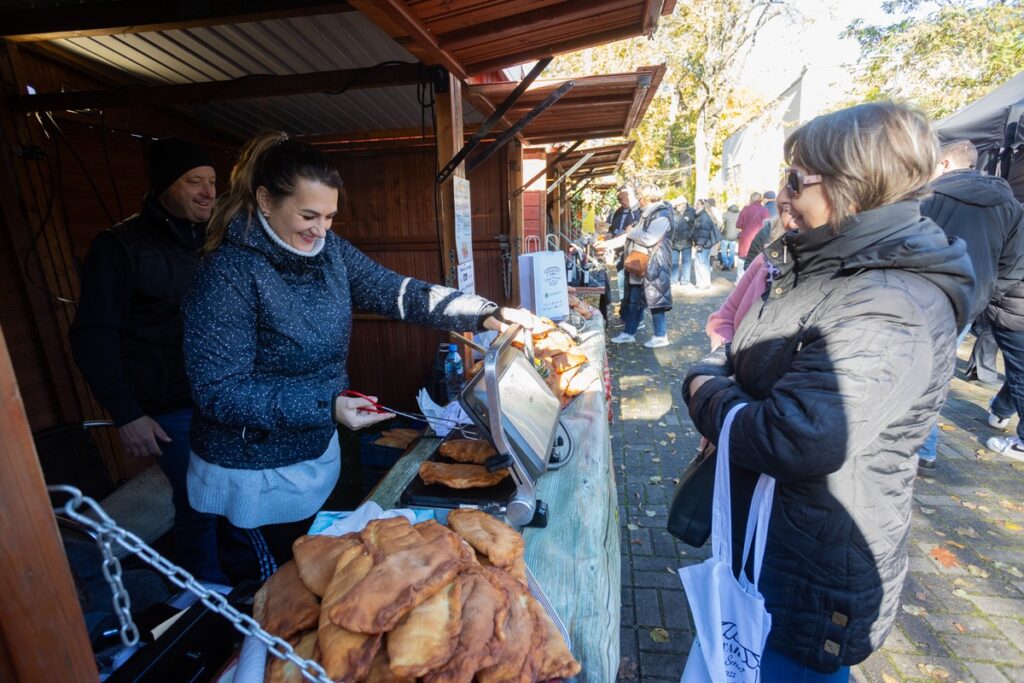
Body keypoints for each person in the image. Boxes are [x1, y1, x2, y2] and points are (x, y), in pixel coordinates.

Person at [684, 102, 975, 680]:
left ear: (852, 187)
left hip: (810, 570)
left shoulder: (891, 302)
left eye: (795, 179)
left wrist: (702, 390)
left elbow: (793, 437)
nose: (781, 196)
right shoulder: (827, 269)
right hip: (773, 548)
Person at [182, 132, 537, 571]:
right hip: (256, 477)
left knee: (333, 566)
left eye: (330, 217)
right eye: (308, 215)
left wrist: (484, 313)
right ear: (265, 200)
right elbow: (218, 391)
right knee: (278, 594)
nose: (320, 230)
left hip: (318, 450)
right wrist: (326, 405)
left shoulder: (330, 252)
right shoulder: (228, 274)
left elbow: (398, 293)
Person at [69, 137, 226, 582]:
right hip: (170, 404)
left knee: (235, 494)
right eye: (194, 181)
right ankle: (206, 596)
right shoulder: (120, 246)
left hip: (225, 396)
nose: (208, 192)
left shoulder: (215, 242)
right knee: (199, 499)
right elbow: (93, 335)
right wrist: (126, 413)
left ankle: (241, 581)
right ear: (163, 186)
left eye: (212, 181)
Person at [916, 139, 1024, 470]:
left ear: (945, 164)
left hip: (923, 294)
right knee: (937, 371)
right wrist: (988, 291)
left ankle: (920, 448)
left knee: (917, 369)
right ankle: (924, 449)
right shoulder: (1010, 204)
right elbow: (1014, 262)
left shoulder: (929, 195)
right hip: (969, 300)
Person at [706, 187, 797, 351]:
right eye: (786, 210)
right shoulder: (765, 261)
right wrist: (722, 357)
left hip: (744, 243)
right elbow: (724, 317)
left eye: (797, 212)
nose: (791, 221)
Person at [602, 183, 673, 348]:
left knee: (656, 301)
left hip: (654, 264)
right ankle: (629, 332)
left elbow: (649, 238)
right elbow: (631, 237)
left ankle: (660, 336)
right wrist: (609, 244)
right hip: (639, 264)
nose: (638, 200)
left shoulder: (661, 215)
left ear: (646, 198)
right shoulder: (647, 214)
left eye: (640, 197)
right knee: (634, 300)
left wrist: (631, 232)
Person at [735, 191, 769, 281]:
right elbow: (767, 225)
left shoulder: (745, 209)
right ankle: (753, 281)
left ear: (751, 199)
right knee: (757, 259)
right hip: (759, 238)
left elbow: (738, 224)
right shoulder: (764, 210)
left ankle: (740, 281)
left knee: (742, 259)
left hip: (745, 237)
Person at [691, 199, 719, 290]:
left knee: (700, 263)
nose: (696, 206)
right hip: (705, 244)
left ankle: (703, 283)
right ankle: (703, 282)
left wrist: (700, 244)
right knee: (703, 263)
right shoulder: (701, 216)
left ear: (703, 206)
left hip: (703, 244)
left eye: (698, 204)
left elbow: (704, 232)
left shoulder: (704, 217)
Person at [669, 196, 695, 285]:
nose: (677, 207)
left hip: (687, 241)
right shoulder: (672, 212)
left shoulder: (691, 212)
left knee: (686, 262)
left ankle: (685, 281)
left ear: (684, 204)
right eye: (676, 205)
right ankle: (673, 280)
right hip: (674, 241)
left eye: (678, 205)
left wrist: (691, 235)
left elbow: (695, 225)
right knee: (674, 262)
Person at [719, 203, 741, 271]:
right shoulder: (739, 214)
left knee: (723, 250)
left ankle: (725, 264)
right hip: (735, 236)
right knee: (732, 251)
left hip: (726, 235)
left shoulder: (725, 214)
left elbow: (721, 224)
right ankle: (730, 264)